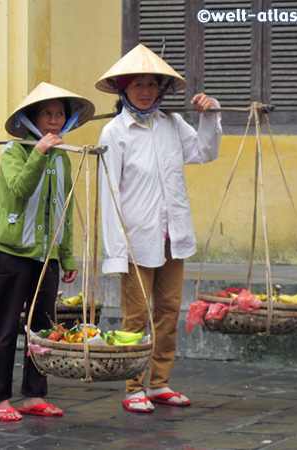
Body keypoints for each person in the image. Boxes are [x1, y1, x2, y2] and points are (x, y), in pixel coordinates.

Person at [95, 44, 222, 413]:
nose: (146, 91)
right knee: (136, 315)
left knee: (168, 309)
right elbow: (109, 195)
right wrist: (116, 250)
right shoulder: (115, 132)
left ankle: (160, 382)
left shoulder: (172, 124)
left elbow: (203, 152)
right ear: (124, 90)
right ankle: (133, 384)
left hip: (172, 234)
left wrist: (209, 116)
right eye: (138, 85)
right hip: (136, 237)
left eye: (152, 85)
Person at [0, 82, 95, 421]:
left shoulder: (63, 159)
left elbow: (63, 207)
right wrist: (38, 153)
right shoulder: (14, 153)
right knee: (5, 328)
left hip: (45, 257)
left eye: (59, 114)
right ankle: (0, 398)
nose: (54, 120)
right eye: (47, 114)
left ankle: (35, 393)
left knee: (41, 330)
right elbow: (19, 190)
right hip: (12, 254)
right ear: (33, 119)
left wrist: (66, 256)